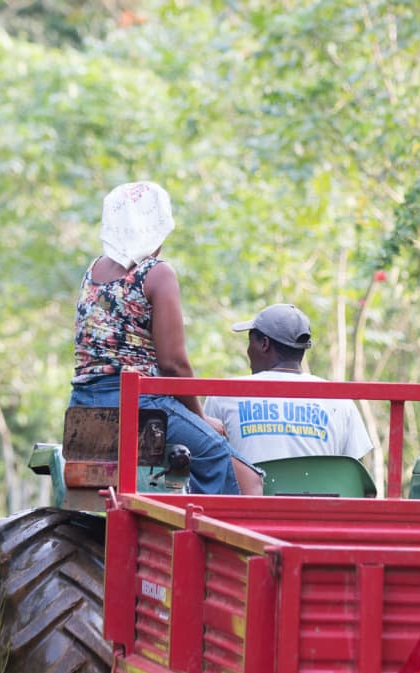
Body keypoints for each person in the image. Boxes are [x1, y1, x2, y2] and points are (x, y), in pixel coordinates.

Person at [69, 181, 261, 495]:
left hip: (83, 404)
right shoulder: (156, 273)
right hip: (138, 406)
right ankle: (217, 540)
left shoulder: (94, 271)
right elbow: (173, 365)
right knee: (214, 451)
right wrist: (203, 419)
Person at [204, 303, 374, 464]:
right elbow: (354, 475)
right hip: (316, 494)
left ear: (264, 344)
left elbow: (206, 460)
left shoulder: (225, 394)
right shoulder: (339, 400)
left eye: (250, 342)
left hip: (251, 494)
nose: (248, 351)